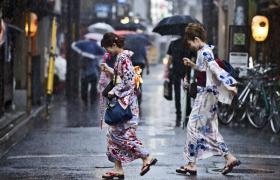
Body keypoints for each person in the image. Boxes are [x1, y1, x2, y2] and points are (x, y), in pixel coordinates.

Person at [176, 23, 240, 175]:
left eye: (190, 42)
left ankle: (191, 164)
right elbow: (204, 69)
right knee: (210, 130)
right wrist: (192, 65)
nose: (190, 46)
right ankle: (228, 157)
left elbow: (214, 68)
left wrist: (230, 84)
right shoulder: (204, 51)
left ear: (196, 39)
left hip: (206, 96)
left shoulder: (205, 52)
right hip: (208, 95)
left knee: (192, 126)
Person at [100, 33, 157, 179]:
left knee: (118, 135)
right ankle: (118, 168)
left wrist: (114, 91)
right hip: (125, 103)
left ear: (114, 45)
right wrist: (109, 70)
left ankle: (146, 156)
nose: (108, 52)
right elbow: (124, 77)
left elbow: (130, 82)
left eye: (108, 49)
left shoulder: (123, 59)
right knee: (114, 134)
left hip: (125, 104)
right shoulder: (121, 58)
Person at [166, 37, 195, 127]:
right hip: (186, 71)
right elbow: (193, 58)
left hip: (175, 71)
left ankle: (178, 112)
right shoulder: (189, 44)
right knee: (187, 91)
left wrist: (167, 68)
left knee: (177, 92)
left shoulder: (173, 43)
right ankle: (187, 110)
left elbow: (170, 58)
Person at [71, 37, 104, 106]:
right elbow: (100, 58)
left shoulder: (84, 47)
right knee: (93, 87)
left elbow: (74, 45)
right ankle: (92, 100)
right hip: (93, 73)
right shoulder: (96, 48)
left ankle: (85, 100)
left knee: (84, 87)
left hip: (85, 73)